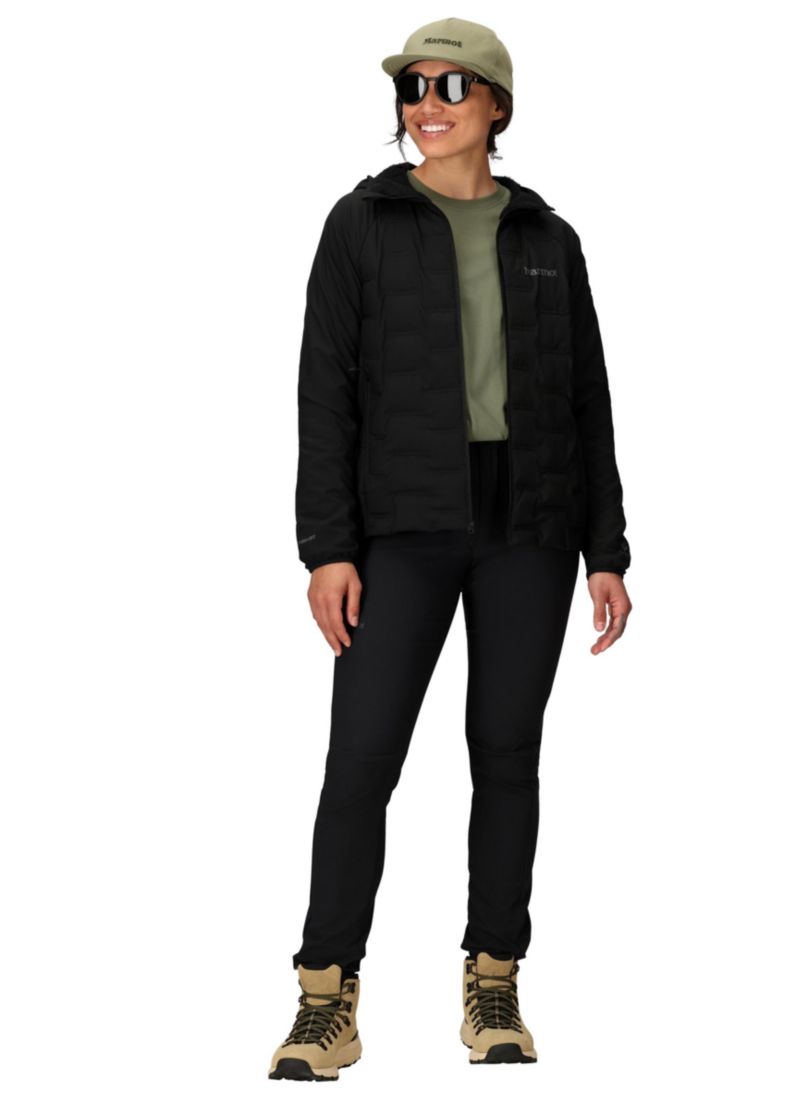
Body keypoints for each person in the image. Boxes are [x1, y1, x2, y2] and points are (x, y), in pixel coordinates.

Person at [269, 17, 633, 1082]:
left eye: (450, 87)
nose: (425, 105)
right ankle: (325, 996)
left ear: (496, 105)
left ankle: (494, 979)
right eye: (412, 88)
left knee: (506, 755)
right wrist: (327, 546)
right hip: (401, 525)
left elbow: (589, 398)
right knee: (361, 758)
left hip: (531, 527)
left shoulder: (548, 237)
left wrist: (606, 548)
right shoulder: (361, 224)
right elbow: (323, 392)